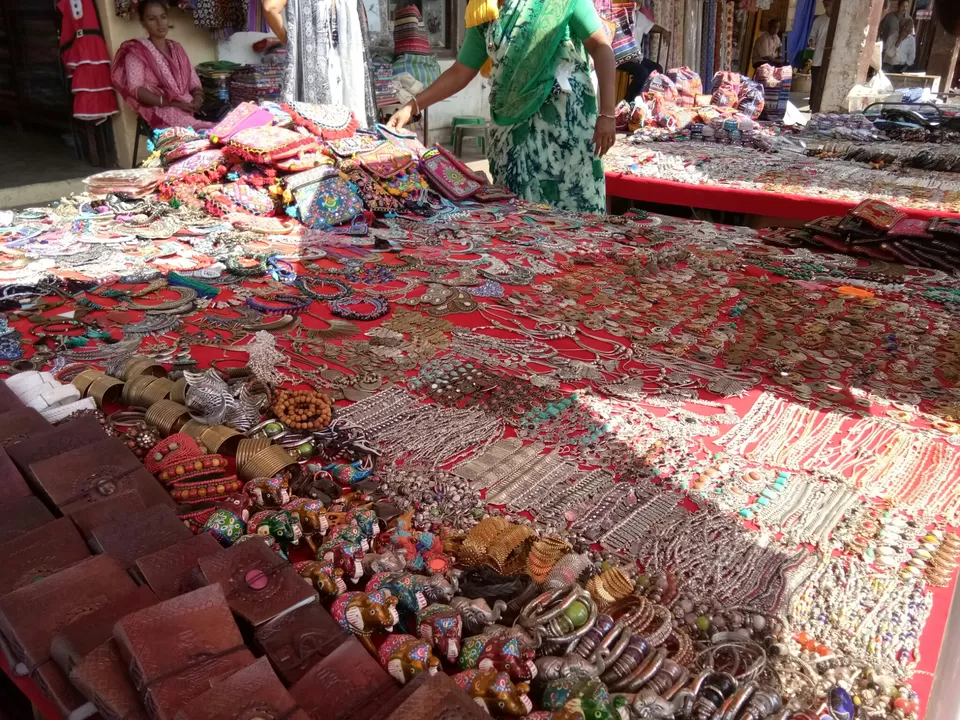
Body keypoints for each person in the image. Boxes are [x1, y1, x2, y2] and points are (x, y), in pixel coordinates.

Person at [387, 0, 616, 214]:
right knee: (519, 219)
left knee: (573, 210)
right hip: (512, 135)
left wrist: (607, 113)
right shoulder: (485, 11)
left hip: (565, 132)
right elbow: (460, 72)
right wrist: (412, 106)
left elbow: (601, 48)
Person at [261, 0, 377, 127]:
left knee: (312, 129)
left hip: (315, 65)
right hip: (350, 68)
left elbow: (270, 8)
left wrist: (290, 41)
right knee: (351, 125)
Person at [110, 0, 211, 130]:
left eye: (163, 17)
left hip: (187, 105)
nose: (160, 23)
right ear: (143, 23)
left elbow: (194, 83)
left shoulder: (177, 48)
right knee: (203, 132)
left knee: (224, 118)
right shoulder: (137, 52)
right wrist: (172, 103)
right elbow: (135, 89)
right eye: (152, 19)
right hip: (159, 108)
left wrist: (197, 99)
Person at [808, 0, 832, 111]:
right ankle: (813, 105)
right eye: (825, 3)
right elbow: (812, 35)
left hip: (831, 59)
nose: (826, 4)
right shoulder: (819, 20)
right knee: (816, 83)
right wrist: (812, 41)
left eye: (828, 2)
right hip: (818, 57)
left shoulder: (838, 21)